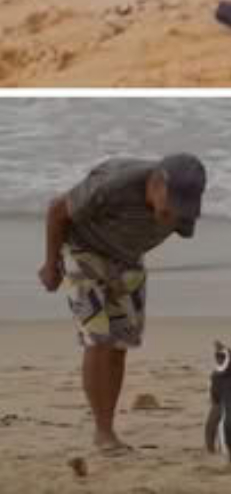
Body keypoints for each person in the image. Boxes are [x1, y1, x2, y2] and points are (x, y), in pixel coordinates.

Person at [38, 153, 207, 453]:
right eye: (170, 207)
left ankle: (108, 425)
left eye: (182, 209)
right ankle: (104, 432)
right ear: (156, 183)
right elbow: (57, 211)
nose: (174, 215)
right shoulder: (114, 184)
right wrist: (52, 264)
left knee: (120, 344)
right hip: (84, 250)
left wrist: (125, 259)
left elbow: (162, 232)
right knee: (98, 339)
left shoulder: (185, 212)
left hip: (127, 260)